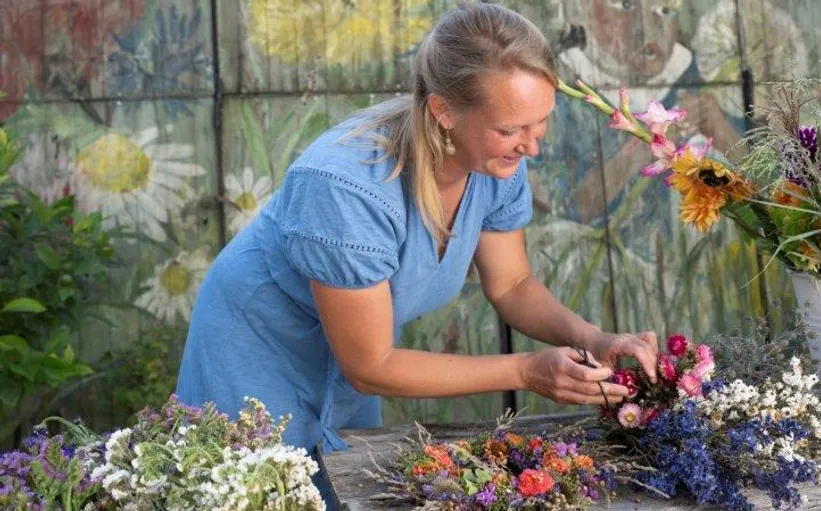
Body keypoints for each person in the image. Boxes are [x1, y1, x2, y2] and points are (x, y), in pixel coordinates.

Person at [176, 2, 658, 502]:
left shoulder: (494, 164)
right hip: (258, 349)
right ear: (444, 111)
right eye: (511, 129)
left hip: (348, 361)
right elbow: (370, 364)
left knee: (341, 489)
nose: (531, 147)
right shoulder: (345, 186)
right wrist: (525, 371)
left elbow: (512, 284)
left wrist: (594, 338)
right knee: (256, 491)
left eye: (541, 123)